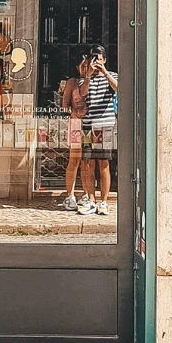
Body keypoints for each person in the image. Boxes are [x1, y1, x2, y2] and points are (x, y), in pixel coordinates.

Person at [79, 44, 118, 216]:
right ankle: (91, 200)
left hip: (105, 125)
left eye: (100, 58)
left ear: (105, 60)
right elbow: (82, 94)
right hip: (88, 125)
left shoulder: (112, 76)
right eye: (94, 58)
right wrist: (88, 75)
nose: (97, 61)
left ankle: (104, 201)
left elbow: (118, 89)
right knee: (88, 164)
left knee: (104, 164)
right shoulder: (84, 78)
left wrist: (105, 72)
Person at [59, 55, 92, 211]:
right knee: (74, 159)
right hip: (76, 123)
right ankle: (70, 194)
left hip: (90, 124)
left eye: (87, 66)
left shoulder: (94, 81)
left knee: (88, 162)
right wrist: (74, 111)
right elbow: (64, 105)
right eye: (83, 66)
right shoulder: (72, 82)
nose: (85, 69)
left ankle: (87, 194)